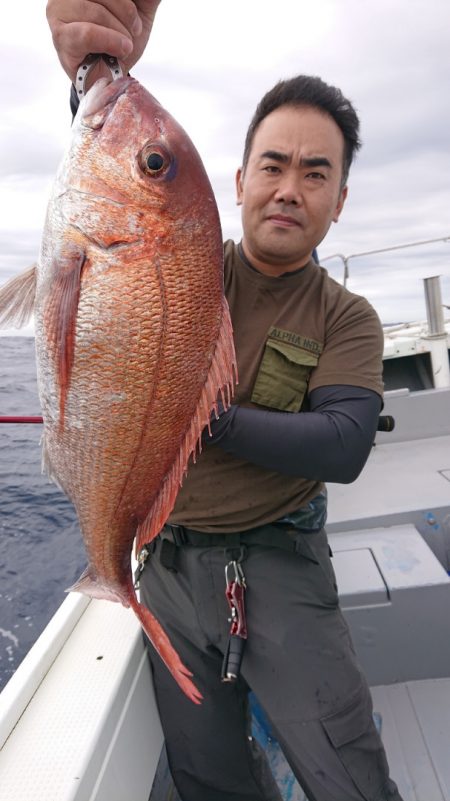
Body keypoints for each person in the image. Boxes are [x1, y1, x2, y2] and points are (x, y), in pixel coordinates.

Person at [46, 3, 404, 800]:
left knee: (349, 772)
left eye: (317, 173)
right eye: (273, 165)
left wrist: (196, 415)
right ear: (240, 182)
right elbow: (120, 188)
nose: (289, 189)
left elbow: (343, 445)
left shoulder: (347, 316)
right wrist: (92, 70)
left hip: (285, 565)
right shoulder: (187, 260)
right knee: (207, 777)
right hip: (165, 564)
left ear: (340, 199)